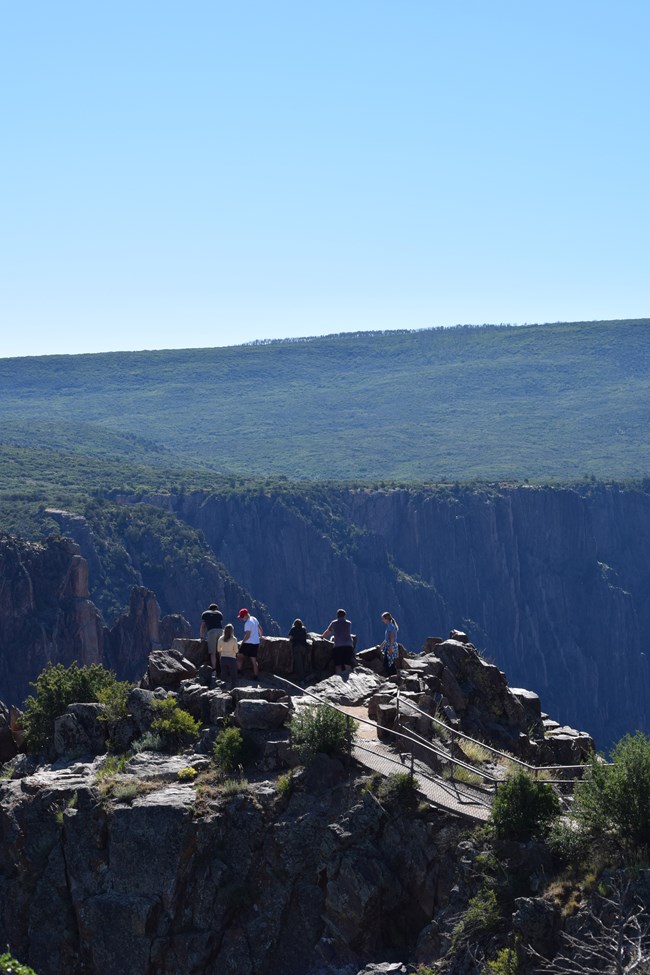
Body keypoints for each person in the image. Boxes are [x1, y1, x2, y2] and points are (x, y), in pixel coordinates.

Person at [322, 608, 355, 674]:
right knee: (347, 664)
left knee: (338, 665)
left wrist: (322, 637)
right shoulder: (349, 623)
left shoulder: (334, 623)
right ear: (344, 615)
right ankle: (351, 679)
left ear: (337, 615)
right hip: (348, 645)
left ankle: (338, 679)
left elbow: (328, 632)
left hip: (338, 645)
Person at [237, 607, 263, 679]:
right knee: (254, 660)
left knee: (239, 656)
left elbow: (248, 635)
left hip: (248, 643)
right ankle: (256, 676)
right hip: (256, 643)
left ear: (245, 615)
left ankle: (239, 671)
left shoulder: (247, 623)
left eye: (242, 617)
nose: (242, 618)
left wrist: (242, 642)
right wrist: (260, 637)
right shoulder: (254, 618)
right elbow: (260, 628)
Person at [200, 602, 223, 672]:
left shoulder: (205, 614)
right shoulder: (219, 614)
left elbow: (203, 626)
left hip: (211, 632)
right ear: (216, 609)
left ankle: (214, 669)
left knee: (212, 652)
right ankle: (223, 668)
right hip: (220, 631)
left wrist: (202, 637)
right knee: (221, 651)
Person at [217, 623, 239, 690]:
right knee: (233, 676)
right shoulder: (234, 639)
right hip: (232, 659)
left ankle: (223, 689)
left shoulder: (220, 639)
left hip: (223, 658)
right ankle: (233, 689)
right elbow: (236, 650)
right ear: (232, 631)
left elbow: (218, 649)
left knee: (223, 675)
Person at [288, 618, 309, 684]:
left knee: (299, 664)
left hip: (297, 647)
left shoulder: (293, 629)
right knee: (303, 662)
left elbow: (290, 637)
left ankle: (301, 679)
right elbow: (306, 637)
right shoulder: (303, 629)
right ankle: (304, 677)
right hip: (304, 648)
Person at [380, 611, 400, 676]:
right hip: (390, 645)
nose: (382, 620)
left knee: (388, 662)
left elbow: (392, 637)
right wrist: (382, 645)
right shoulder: (391, 625)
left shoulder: (390, 626)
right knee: (390, 661)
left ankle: (391, 676)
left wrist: (390, 648)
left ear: (386, 619)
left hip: (390, 646)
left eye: (383, 619)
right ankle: (393, 675)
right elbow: (387, 638)